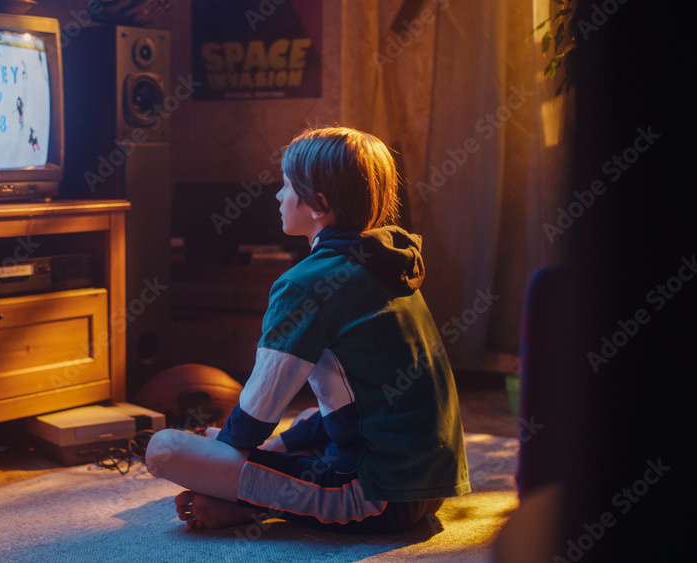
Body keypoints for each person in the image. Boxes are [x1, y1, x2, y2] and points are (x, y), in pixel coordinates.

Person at [145, 126, 471, 534]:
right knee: (312, 414)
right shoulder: (385, 262)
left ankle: (256, 504)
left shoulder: (305, 284)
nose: (278, 197)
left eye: (286, 186)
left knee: (165, 449)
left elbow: (258, 412)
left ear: (317, 203)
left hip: (374, 494)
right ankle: (259, 493)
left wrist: (219, 468)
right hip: (428, 484)